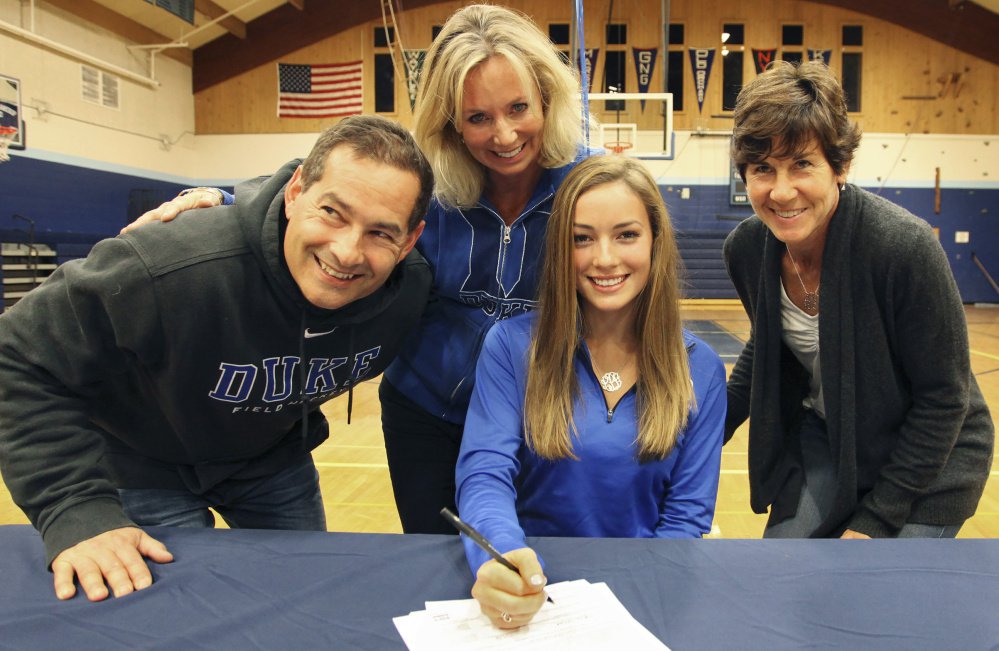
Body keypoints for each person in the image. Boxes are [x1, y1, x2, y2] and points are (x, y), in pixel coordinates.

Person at [133, 5, 592, 534]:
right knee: (435, 556)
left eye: (518, 108)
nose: (504, 135)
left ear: (546, 98)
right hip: (426, 412)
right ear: (451, 122)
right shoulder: (429, 185)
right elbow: (324, 186)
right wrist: (221, 196)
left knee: (535, 558)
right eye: (478, 118)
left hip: (540, 417)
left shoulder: (588, 181)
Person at [0, 115, 434, 602]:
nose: (348, 251)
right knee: (172, 608)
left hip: (272, 462)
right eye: (333, 212)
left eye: (380, 233)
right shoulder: (170, 267)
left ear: (410, 240)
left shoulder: (410, 291)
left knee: (305, 595)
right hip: (144, 464)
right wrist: (73, 508)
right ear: (294, 193)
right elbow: (16, 355)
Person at [723, 60, 994, 539]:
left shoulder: (901, 248)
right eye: (763, 169)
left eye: (802, 164)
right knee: (786, 574)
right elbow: (767, 346)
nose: (781, 191)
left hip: (931, 457)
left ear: (840, 166)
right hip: (832, 439)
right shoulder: (747, 250)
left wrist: (875, 520)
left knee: (877, 594)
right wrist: (693, 440)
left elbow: (944, 400)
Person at [456, 155, 726, 629]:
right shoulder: (511, 347)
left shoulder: (700, 368)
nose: (604, 258)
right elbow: (484, 474)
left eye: (626, 234)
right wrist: (501, 556)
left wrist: (641, 606)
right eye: (583, 238)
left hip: (645, 596)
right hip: (535, 596)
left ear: (655, 241)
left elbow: (686, 518)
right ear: (563, 248)